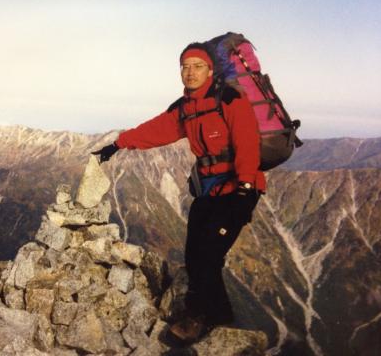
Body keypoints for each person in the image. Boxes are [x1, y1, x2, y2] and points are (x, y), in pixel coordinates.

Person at [92, 43, 266, 343]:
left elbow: (248, 143)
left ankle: (202, 317)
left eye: (198, 66)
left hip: (237, 189)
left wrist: (245, 191)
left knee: (209, 254)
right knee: (194, 252)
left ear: (210, 71)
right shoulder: (185, 107)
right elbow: (156, 130)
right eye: (185, 66)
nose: (190, 72)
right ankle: (216, 314)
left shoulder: (229, 98)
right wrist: (118, 144)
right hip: (208, 191)